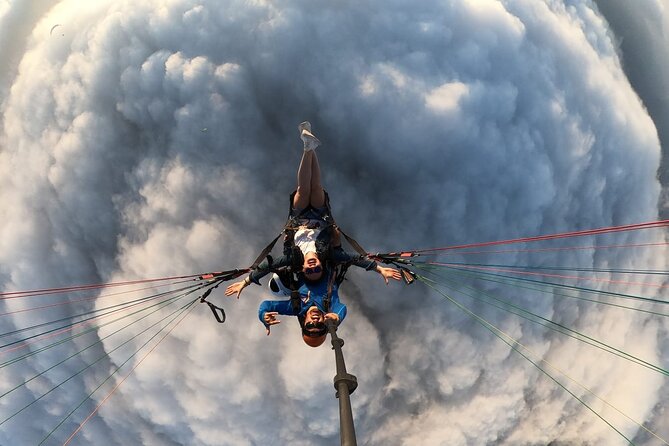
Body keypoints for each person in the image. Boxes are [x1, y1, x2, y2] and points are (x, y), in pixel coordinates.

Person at [225, 121, 401, 347]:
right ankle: (310, 147)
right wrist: (379, 270)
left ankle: (309, 147)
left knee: (302, 190)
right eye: (320, 327)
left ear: (304, 322)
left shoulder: (295, 303)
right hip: (320, 221)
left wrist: (247, 287)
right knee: (316, 189)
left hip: (298, 222)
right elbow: (353, 262)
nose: (315, 322)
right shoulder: (330, 299)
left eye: (310, 326)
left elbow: (267, 282)